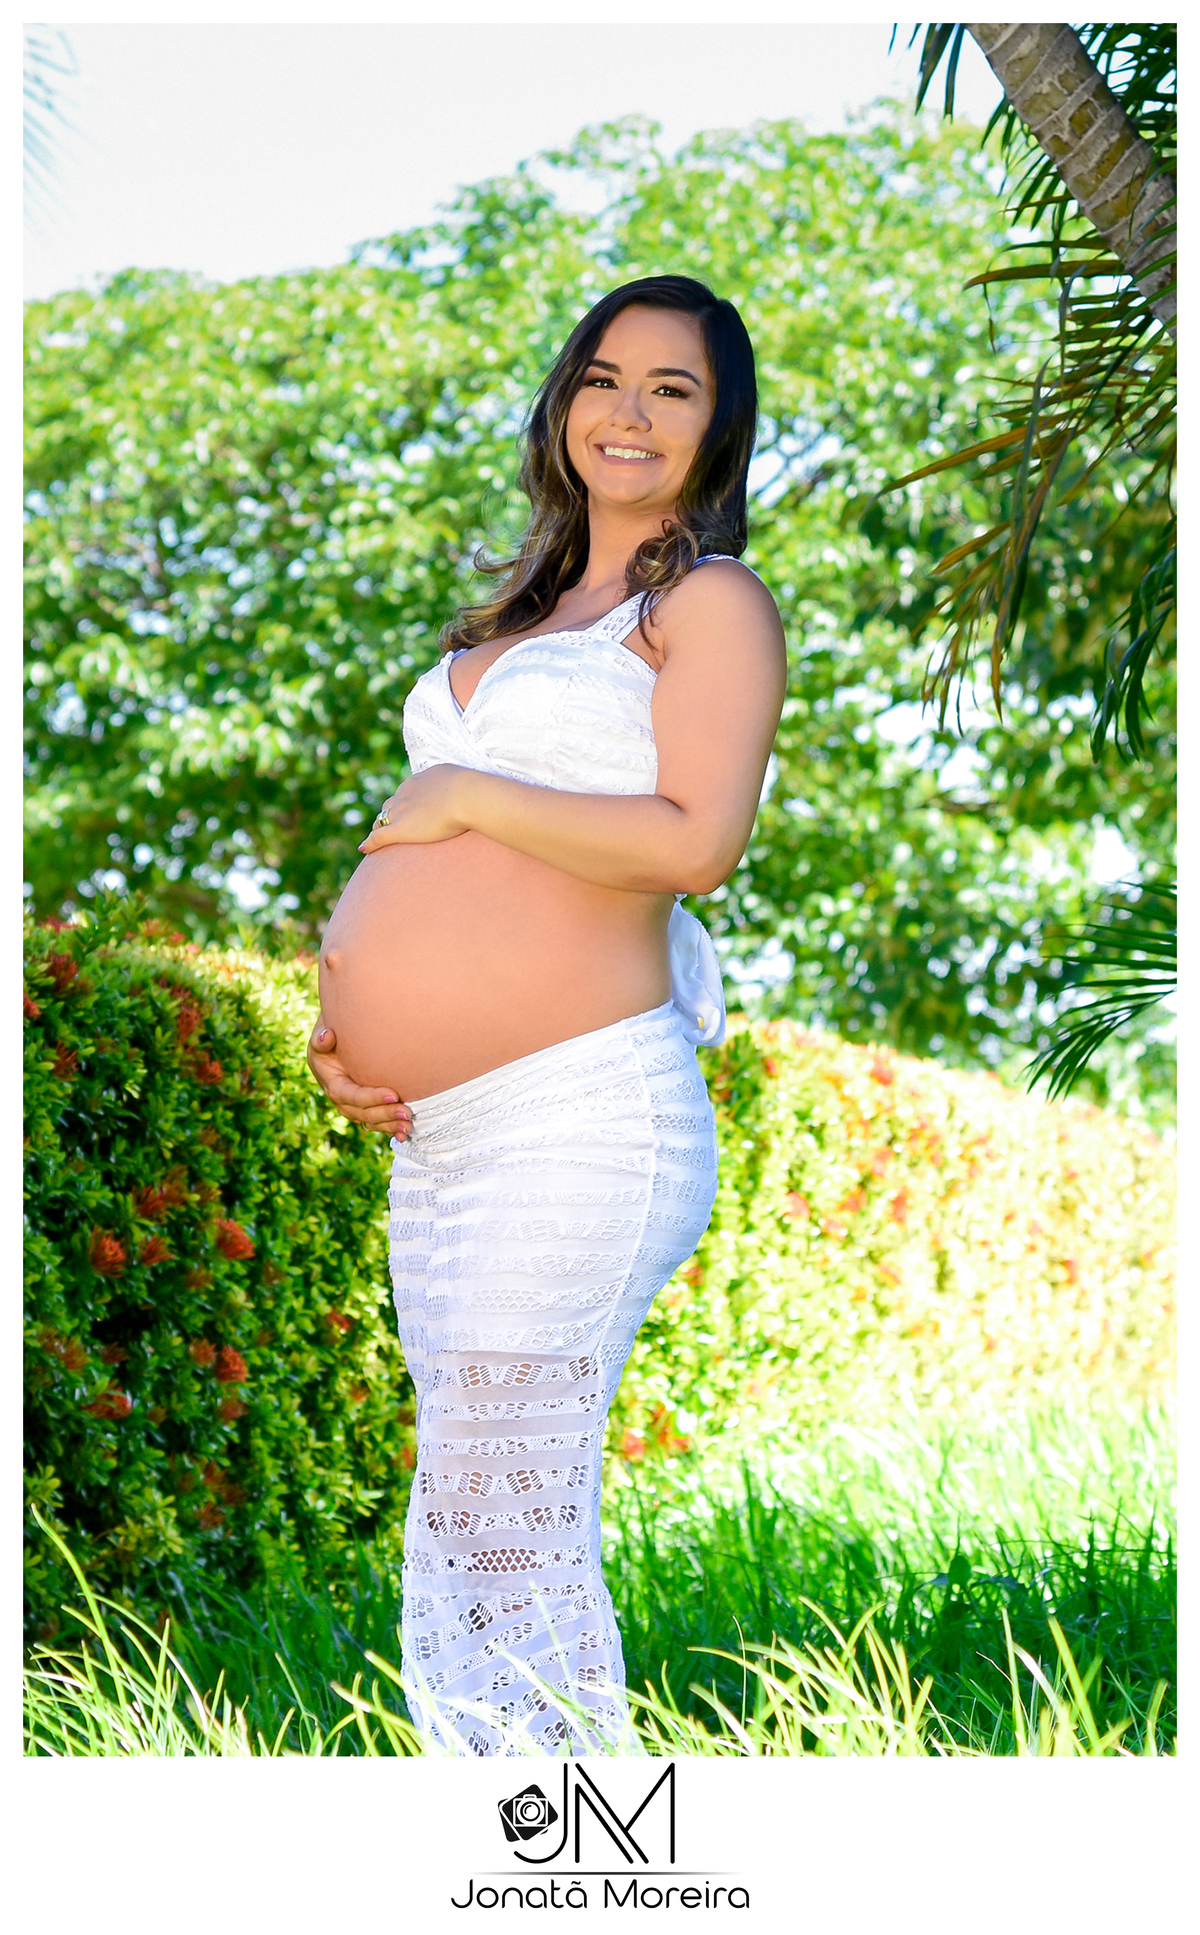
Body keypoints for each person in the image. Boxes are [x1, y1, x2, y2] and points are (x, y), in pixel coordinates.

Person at [306, 275, 786, 1755]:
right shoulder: (522, 612)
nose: (628, 412)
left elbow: (696, 841)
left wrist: (462, 790)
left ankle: (566, 1834)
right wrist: (351, 1029)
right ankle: (509, 1823)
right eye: (603, 378)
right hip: (445, 1137)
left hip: (578, 1111)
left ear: (718, 429)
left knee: (502, 1517)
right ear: (566, 401)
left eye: (672, 388)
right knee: (468, 1509)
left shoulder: (708, 604)